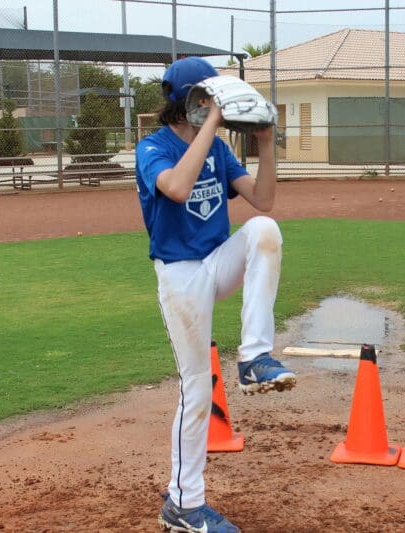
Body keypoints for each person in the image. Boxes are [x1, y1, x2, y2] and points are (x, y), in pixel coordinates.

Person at [135, 56, 296, 533]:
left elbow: (263, 200)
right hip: (181, 278)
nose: (217, 105)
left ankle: (254, 356)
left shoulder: (219, 151)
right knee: (197, 390)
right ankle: (184, 504)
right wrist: (212, 126)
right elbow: (178, 188)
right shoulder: (152, 148)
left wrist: (266, 145)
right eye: (207, 99)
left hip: (216, 262)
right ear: (189, 103)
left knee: (265, 227)